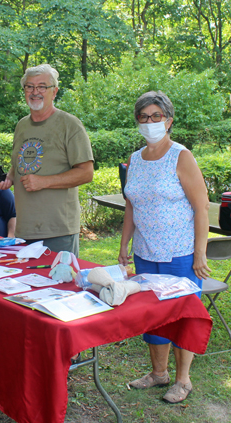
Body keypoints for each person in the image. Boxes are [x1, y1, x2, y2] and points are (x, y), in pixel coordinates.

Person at [118, 90, 211, 404]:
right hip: (146, 253)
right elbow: (132, 207)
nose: (149, 122)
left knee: (182, 315)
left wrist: (200, 253)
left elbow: (201, 208)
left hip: (180, 253)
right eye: (143, 117)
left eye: (156, 116)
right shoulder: (134, 159)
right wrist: (123, 245)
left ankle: (183, 380)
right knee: (155, 315)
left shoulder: (181, 156)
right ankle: (159, 373)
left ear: (168, 121)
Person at [0, 64, 94, 257]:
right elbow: (18, 164)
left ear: (54, 91)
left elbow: (86, 172)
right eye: (29, 87)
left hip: (57, 231)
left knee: (58, 285)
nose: (35, 92)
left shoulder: (70, 125)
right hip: (24, 229)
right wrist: (9, 178)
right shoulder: (21, 125)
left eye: (42, 86)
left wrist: (44, 182)